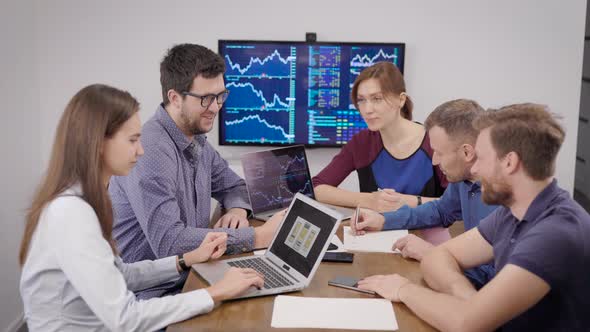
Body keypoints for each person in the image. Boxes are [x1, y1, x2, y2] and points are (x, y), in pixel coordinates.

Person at [19, 84, 266, 331]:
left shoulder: (85, 201)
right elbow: (126, 318)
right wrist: (215, 293)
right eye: (132, 140)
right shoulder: (70, 213)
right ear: (98, 143)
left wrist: (186, 259)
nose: (141, 150)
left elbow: (122, 275)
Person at [358, 104, 590, 331]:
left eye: (481, 158)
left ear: (509, 163)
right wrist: (470, 302)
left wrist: (403, 289)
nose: (475, 170)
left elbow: (466, 324)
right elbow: (438, 257)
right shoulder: (511, 212)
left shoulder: (555, 234)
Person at [108, 44, 281, 299]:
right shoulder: (152, 150)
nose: (215, 107)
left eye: (221, 95)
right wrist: (258, 236)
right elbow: (170, 242)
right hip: (153, 295)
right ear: (175, 97)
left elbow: (235, 186)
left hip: (192, 276)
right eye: (205, 99)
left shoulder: (195, 138)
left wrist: (237, 209)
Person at [353, 99, 497, 288]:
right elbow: (440, 211)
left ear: (467, 153)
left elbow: (494, 279)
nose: (434, 161)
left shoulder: (503, 197)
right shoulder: (464, 179)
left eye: (439, 152)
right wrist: (383, 220)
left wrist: (432, 253)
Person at [312, 61, 448, 243]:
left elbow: (457, 203)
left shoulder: (434, 142)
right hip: (376, 243)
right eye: (361, 100)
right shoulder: (361, 142)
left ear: (401, 99)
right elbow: (317, 188)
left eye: (377, 99)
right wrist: (369, 200)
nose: (367, 110)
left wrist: (406, 202)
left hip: (425, 242)